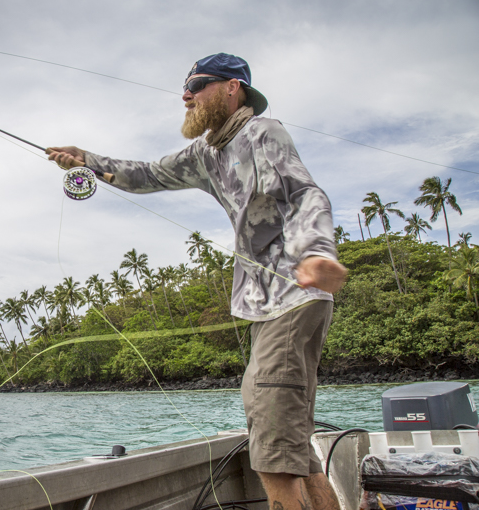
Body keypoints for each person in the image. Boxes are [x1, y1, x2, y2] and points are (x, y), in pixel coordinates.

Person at [47, 53, 347, 510]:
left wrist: (317, 250)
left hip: (294, 293)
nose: (185, 95)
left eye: (198, 85)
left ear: (233, 88)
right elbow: (146, 174)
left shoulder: (262, 133)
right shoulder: (206, 153)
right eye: (185, 87)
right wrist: (85, 159)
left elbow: (304, 191)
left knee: (270, 444)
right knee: (289, 442)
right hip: (265, 306)